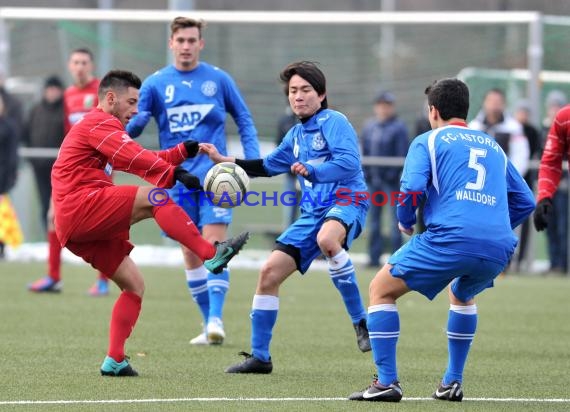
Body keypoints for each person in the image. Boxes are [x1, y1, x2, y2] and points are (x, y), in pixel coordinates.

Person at [50, 69, 249, 377]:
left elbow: (137, 155)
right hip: (80, 206)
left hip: (75, 222)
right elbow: (133, 156)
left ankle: (114, 359)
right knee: (156, 197)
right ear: (111, 98)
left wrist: (182, 152)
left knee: (134, 286)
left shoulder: (101, 126)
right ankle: (211, 255)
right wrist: (172, 175)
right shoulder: (100, 121)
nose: (136, 110)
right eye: (131, 102)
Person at [348, 78, 535, 402]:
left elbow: (411, 190)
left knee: (380, 289)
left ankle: (386, 383)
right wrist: (494, 228)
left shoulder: (428, 140)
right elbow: (526, 201)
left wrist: (406, 222)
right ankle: (451, 382)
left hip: (450, 237)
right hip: (499, 247)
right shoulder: (493, 146)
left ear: (433, 111)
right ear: (467, 109)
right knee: (462, 292)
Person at [200, 61, 371, 374]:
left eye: (306, 90)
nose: (298, 96)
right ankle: (260, 357)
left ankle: (362, 322)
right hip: (313, 213)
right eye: (293, 91)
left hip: (347, 199)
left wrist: (314, 171)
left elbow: (349, 163)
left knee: (327, 239)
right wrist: (224, 160)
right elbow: (267, 166)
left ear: (321, 94)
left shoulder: (334, 121)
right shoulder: (295, 135)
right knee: (268, 273)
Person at [126, 17, 260, 346]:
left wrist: (252, 162)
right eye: (180, 40)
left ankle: (216, 318)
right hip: (176, 178)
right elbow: (137, 122)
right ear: (171, 43)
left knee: (213, 245)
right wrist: (120, 130)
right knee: (190, 252)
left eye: (191, 40)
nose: (186, 46)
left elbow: (243, 118)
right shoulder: (157, 84)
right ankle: (207, 322)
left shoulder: (218, 79)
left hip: (217, 178)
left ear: (200, 43)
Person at [28, 48, 109, 296]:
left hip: (97, 167)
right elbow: (66, 134)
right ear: (70, 66)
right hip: (71, 167)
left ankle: (103, 280)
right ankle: (53, 277)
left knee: (102, 223)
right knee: (54, 216)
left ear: (91, 65)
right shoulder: (68, 96)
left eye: (84, 62)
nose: (80, 66)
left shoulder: (102, 92)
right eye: (76, 62)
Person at [360, 90, 409, 266]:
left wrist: (390, 175)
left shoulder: (399, 127)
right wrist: (368, 175)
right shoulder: (369, 126)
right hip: (373, 182)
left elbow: (402, 154)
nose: (383, 109)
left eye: (387, 106)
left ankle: (397, 260)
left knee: (396, 222)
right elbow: (364, 151)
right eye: (381, 105)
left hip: (392, 183)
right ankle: (373, 258)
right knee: (373, 222)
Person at [534, 91, 570, 276]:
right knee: (555, 229)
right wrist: (544, 196)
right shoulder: (564, 118)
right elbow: (550, 160)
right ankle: (557, 264)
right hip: (560, 188)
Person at [22, 75, 65, 230]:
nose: (52, 93)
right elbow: (26, 133)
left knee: (59, 202)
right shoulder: (35, 110)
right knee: (44, 200)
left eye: (55, 89)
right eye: (50, 89)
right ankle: (49, 237)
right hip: (39, 165)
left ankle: (61, 236)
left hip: (60, 167)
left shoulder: (65, 110)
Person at [469, 88, 530, 176]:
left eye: (498, 101)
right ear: (484, 103)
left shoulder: (514, 128)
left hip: (505, 180)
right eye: (491, 101)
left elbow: (521, 156)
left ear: (504, 104)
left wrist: (510, 178)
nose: (494, 104)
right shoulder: (474, 127)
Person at [512, 100, 541, 271]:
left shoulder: (533, 132)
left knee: (526, 217)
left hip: (526, 183)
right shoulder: (511, 128)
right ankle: (507, 258)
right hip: (510, 184)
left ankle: (521, 259)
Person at [0, 93, 20, 258]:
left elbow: (12, 156)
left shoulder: (9, 127)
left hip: (2, 177)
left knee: (2, 215)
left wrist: (9, 179)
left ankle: (2, 246)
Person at [275, 105, 300, 227]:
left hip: (311, 177)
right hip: (291, 175)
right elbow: (279, 146)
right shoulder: (285, 121)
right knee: (289, 213)